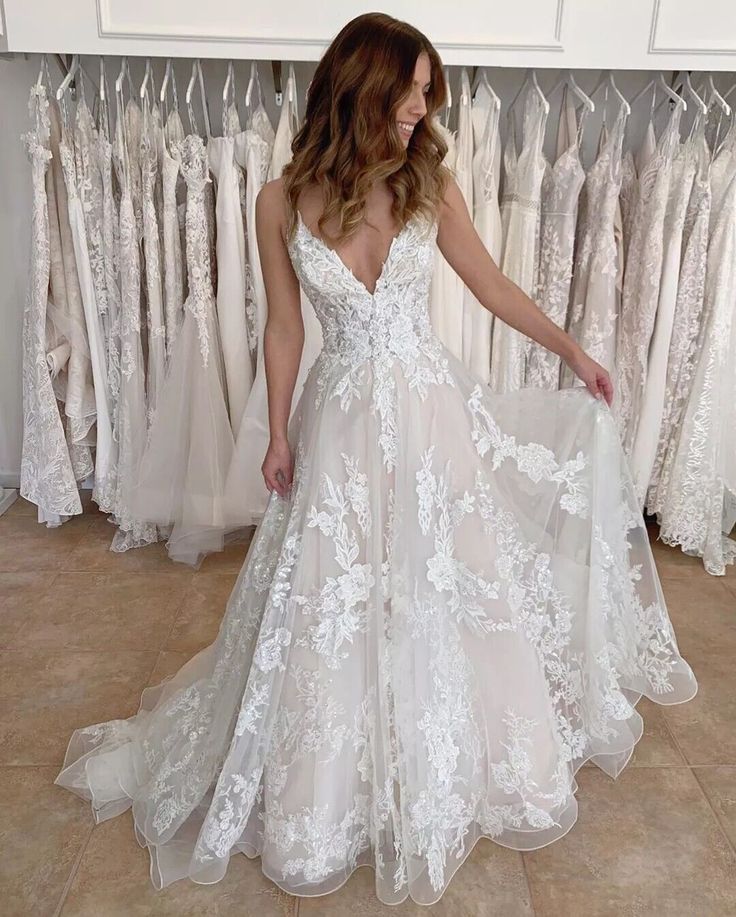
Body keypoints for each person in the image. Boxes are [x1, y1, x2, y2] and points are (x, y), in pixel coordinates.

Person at [55, 12, 697, 908]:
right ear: (365, 87)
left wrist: (573, 350)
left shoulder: (431, 182)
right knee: (331, 596)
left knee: (444, 583)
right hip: (339, 422)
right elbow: (284, 326)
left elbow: (491, 284)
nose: (423, 108)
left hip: (429, 418)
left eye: (430, 91)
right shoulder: (279, 200)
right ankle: (327, 784)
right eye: (413, 90)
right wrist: (277, 431)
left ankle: (442, 756)